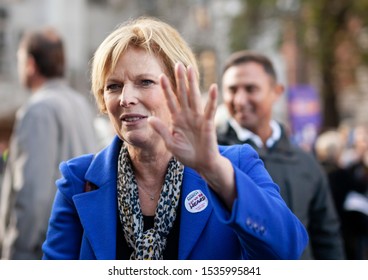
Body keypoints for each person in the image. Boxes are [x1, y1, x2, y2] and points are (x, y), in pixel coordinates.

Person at [41, 17, 308, 260]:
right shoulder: (78, 180)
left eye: (145, 82)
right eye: (114, 86)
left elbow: (287, 249)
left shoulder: (236, 164)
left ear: (180, 91)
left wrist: (215, 170)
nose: (126, 98)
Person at [216, 50, 345, 260]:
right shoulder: (211, 158)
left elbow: (327, 238)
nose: (240, 99)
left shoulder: (306, 163)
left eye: (250, 89)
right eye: (232, 90)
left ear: (276, 91)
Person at [0, 27, 98, 259]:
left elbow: (32, 196)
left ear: (31, 64)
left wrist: (15, 257)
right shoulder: (79, 103)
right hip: (76, 242)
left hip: (43, 250)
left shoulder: (38, 109)